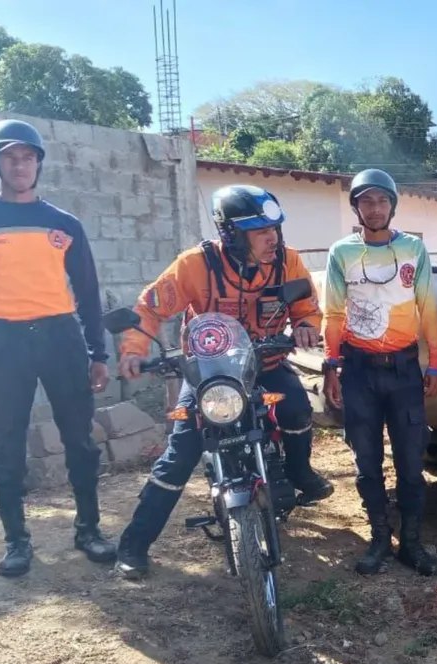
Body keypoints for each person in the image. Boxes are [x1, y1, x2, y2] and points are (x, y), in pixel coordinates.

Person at [113, 184, 332, 578]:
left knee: (298, 408)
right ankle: (134, 544)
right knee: (181, 452)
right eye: (260, 231)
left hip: (266, 363)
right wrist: (134, 349)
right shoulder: (195, 265)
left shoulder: (289, 262)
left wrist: (305, 326)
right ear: (231, 233)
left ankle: (300, 472)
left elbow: (306, 306)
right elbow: (149, 308)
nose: (272, 238)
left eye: (274, 228)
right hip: (210, 375)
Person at [0, 119, 115, 577]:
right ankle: (16, 541)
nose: (19, 165)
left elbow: (88, 292)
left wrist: (98, 354)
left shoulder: (63, 224)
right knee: (7, 442)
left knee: (79, 439)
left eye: (27, 157)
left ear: (39, 164)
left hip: (62, 338)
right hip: (7, 341)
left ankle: (89, 529)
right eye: (10, 157)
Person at [322, 169, 437, 577]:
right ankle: (379, 539)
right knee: (367, 461)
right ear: (356, 207)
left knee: (410, 461)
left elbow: (428, 308)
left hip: (405, 371)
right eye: (366, 201)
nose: (375, 209)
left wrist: (436, 362)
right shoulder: (341, 252)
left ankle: (411, 543)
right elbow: (333, 313)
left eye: (381, 201)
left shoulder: (413, 249)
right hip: (359, 372)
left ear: (392, 206)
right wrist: (331, 365)